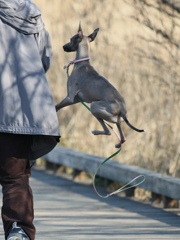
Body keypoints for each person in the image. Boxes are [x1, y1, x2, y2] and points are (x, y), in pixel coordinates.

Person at [0, 0, 60, 239]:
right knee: (15, 178)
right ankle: (18, 231)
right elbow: (44, 59)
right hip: (18, 114)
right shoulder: (31, 15)